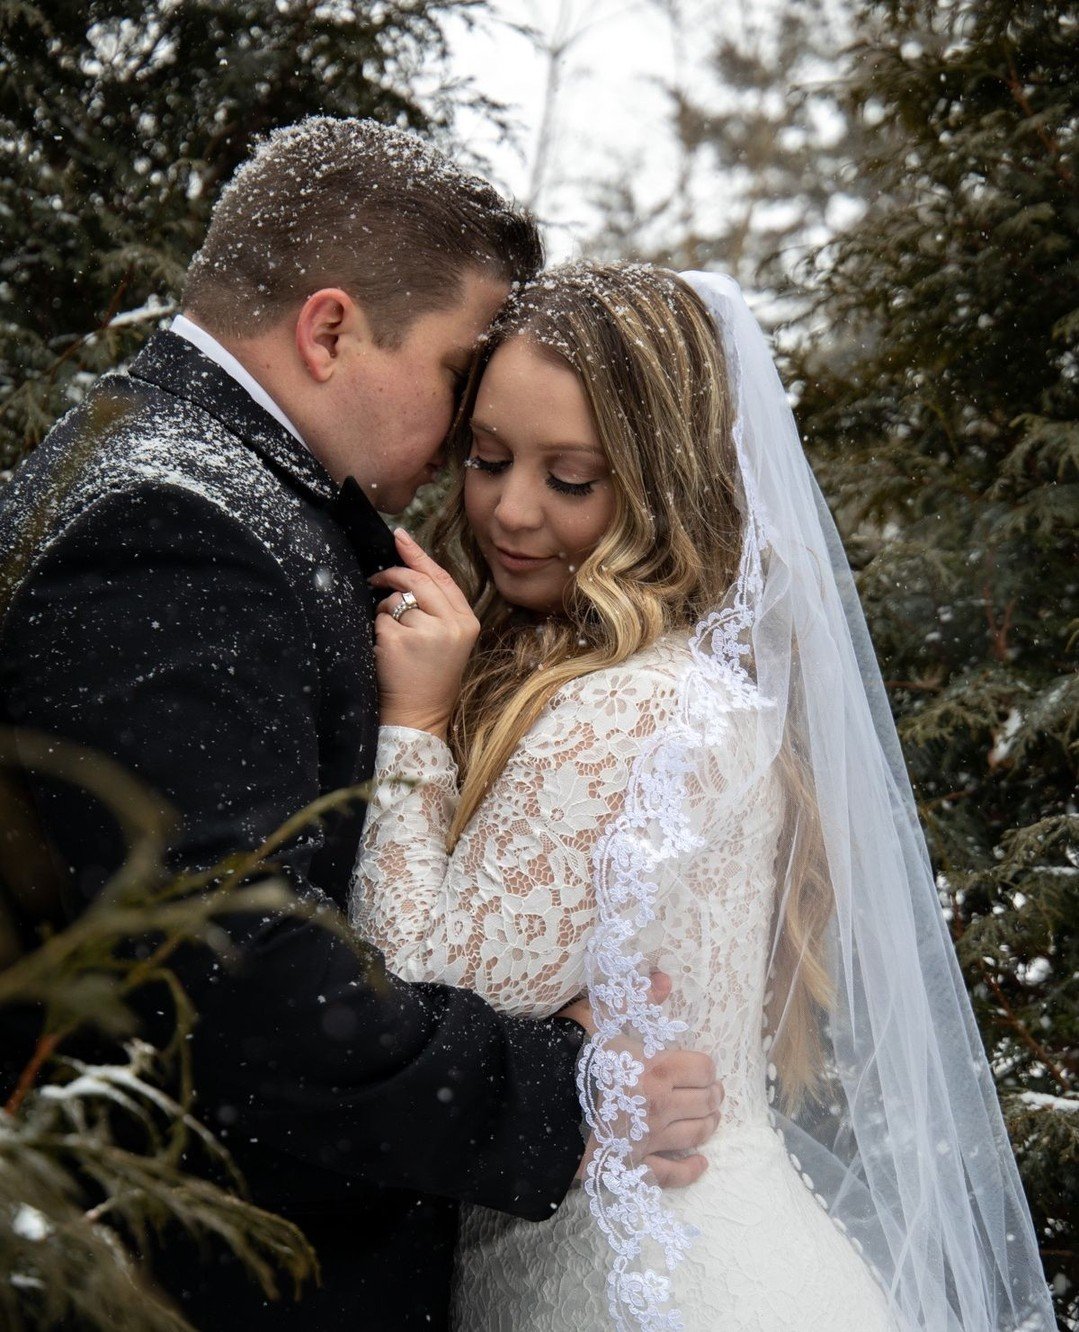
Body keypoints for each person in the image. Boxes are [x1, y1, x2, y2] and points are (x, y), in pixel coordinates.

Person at [0, 122, 722, 1331]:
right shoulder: (170, 527)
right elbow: (232, 970)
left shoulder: (192, 480)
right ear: (329, 329)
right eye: (453, 377)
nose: (458, 451)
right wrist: (572, 1093)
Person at [351, 262, 1055, 1330]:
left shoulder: (624, 711)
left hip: (639, 1287)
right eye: (486, 458)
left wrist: (407, 729)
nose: (509, 509)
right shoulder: (704, 688)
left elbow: (403, 999)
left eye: (571, 478)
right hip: (732, 1250)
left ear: (662, 482)